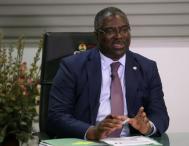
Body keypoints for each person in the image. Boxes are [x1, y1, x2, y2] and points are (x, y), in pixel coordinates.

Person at [46, 7, 169, 140]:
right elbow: (57, 116)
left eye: (124, 30)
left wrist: (147, 127)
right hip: (89, 141)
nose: (119, 36)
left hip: (130, 142)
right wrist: (92, 132)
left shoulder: (147, 67)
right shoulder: (72, 66)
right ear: (97, 35)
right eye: (110, 31)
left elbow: (160, 114)